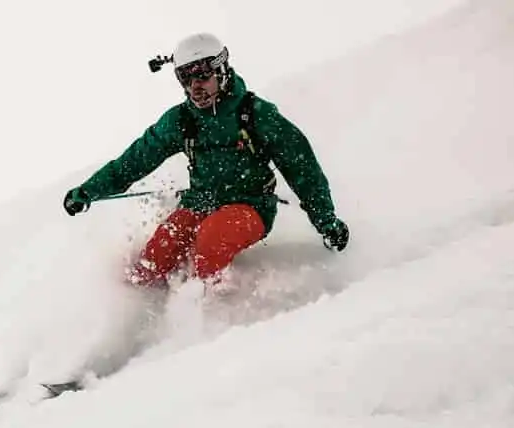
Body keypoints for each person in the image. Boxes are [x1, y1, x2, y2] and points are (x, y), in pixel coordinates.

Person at [62, 32, 349, 290]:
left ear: (221, 70)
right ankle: (139, 320)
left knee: (211, 240)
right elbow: (134, 161)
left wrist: (326, 222)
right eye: (184, 78)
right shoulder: (182, 120)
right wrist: (89, 190)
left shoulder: (256, 114)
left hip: (250, 205)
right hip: (200, 201)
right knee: (157, 254)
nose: (194, 86)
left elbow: (302, 169)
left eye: (201, 75)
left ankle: (209, 319)